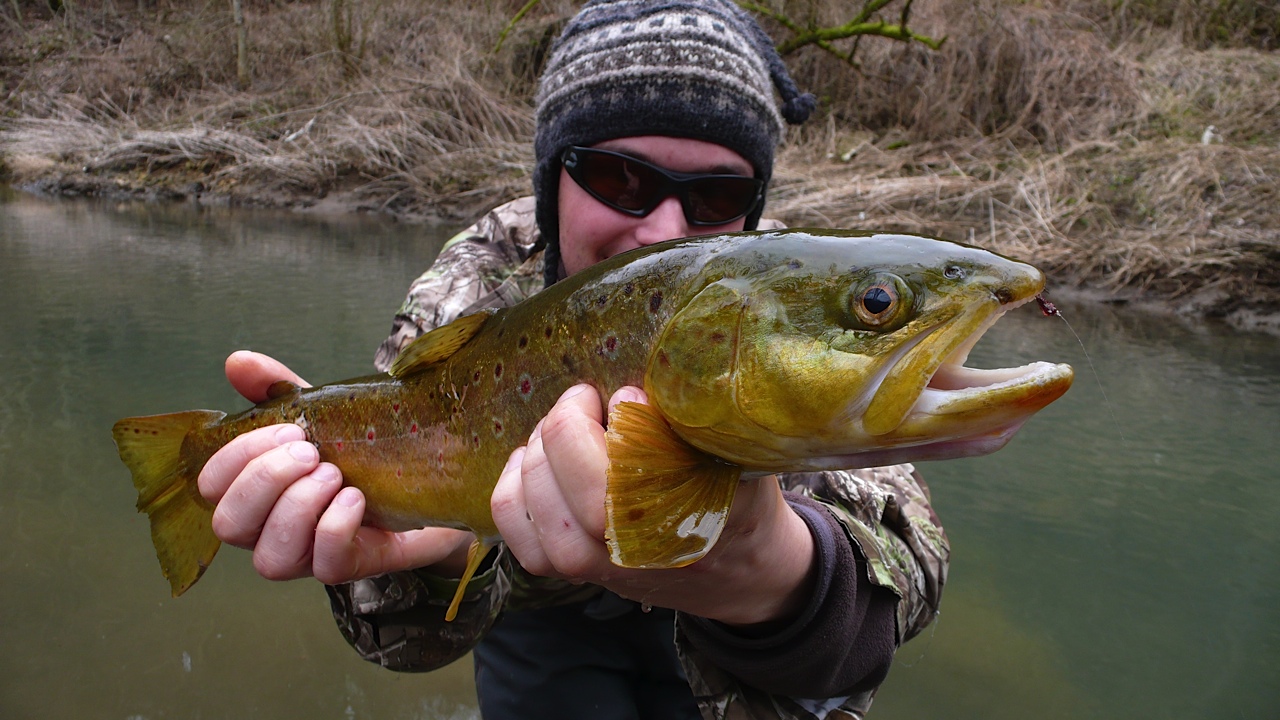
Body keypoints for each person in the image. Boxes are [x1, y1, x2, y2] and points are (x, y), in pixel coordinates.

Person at [196, 1, 949, 718]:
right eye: (621, 179)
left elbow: (907, 561)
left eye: (717, 193)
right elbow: (402, 634)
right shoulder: (482, 280)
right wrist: (432, 557)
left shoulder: (798, 296)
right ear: (551, 178)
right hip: (535, 604)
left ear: (751, 210)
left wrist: (775, 574)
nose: (662, 230)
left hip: (731, 633)